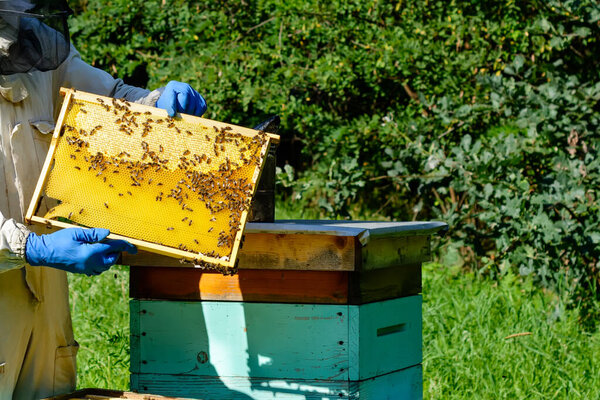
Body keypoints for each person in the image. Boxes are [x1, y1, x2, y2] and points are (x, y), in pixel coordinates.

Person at [0, 1, 207, 398]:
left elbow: (108, 96)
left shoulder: (34, 42)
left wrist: (156, 102)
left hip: (47, 297)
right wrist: (33, 246)